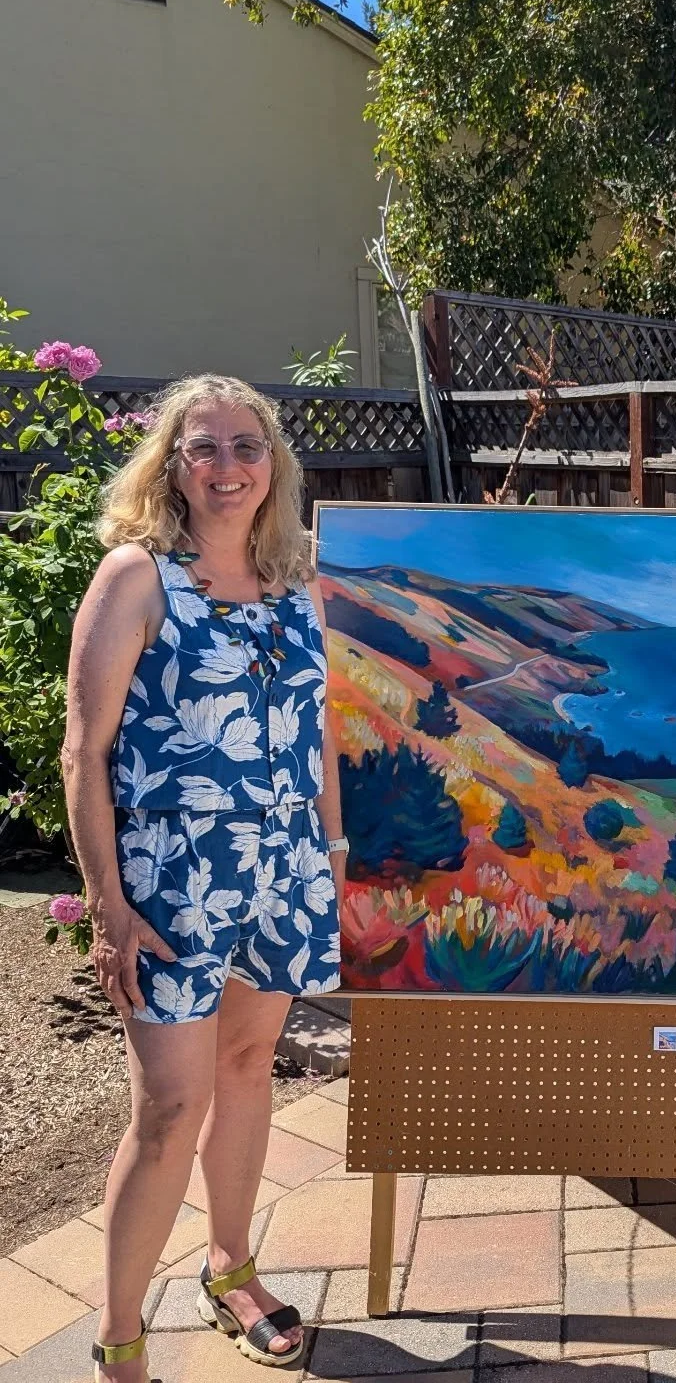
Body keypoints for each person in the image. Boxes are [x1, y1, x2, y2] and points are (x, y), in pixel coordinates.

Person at [64, 376, 344, 1381]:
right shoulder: (137, 577)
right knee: (171, 1107)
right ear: (172, 467)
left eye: (245, 448)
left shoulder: (297, 581)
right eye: (204, 449)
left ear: (274, 466)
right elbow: (82, 754)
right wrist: (107, 908)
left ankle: (230, 1268)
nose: (227, 468)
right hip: (173, 881)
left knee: (245, 1069)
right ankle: (120, 1332)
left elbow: (318, 741)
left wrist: (335, 861)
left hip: (285, 869)